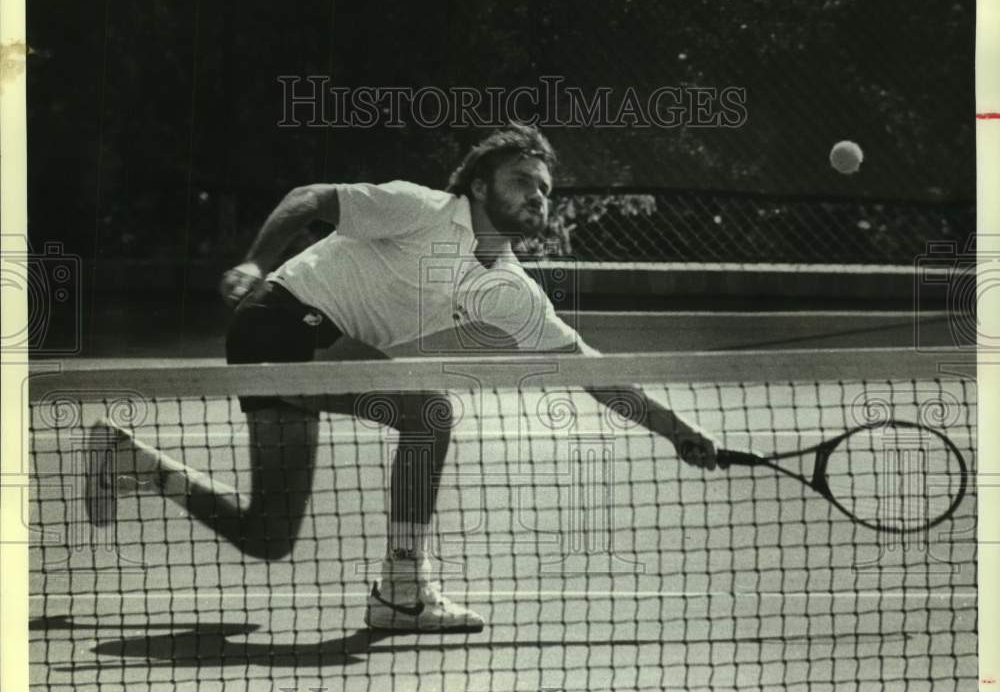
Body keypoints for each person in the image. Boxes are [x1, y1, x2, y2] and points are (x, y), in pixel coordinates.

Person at [86, 124, 719, 633]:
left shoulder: (512, 290)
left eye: (546, 189)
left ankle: (134, 462)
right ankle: (403, 587)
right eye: (523, 180)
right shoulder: (420, 209)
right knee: (430, 412)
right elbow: (312, 198)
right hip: (280, 318)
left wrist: (675, 429)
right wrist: (254, 260)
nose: (538, 196)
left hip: (304, 346)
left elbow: (592, 371)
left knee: (269, 535)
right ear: (477, 186)